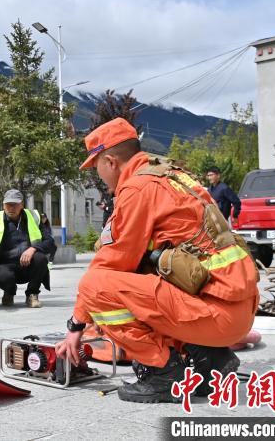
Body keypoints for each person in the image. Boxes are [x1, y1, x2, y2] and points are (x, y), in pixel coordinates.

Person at [54, 118, 259, 404]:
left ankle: (163, 375)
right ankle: (212, 361)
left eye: (95, 166)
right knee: (147, 275)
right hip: (236, 311)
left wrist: (75, 327)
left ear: (110, 162)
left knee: (95, 285)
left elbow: (110, 264)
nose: (97, 175)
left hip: (215, 315)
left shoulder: (138, 188)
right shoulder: (172, 176)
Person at [0, 189, 55, 308]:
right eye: (8, 204)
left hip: (28, 265)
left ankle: (32, 294)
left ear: (21, 204)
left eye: (15, 204)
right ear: (3, 205)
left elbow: (50, 242)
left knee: (41, 258)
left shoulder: (33, 217)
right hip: (4, 266)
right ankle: (9, 292)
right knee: (4, 276)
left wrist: (33, 249)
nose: (11, 208)